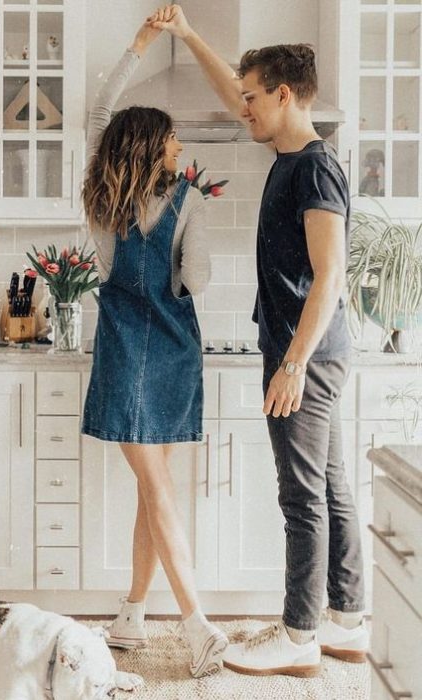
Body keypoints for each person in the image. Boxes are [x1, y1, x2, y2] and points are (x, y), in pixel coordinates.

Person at [149, 5, 368, 678]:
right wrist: (187, 35)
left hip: (308, 351)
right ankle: (346, 619)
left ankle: (300, 633)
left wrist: (293, 363)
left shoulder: (314, 168)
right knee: (328, 487)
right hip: (314, 349)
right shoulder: (292, 153)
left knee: (300, 493)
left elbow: (329, 273)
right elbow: (233, 89)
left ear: (282, 95)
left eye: (251, 98)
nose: (240, 108)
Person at [80, 18, 228, 678]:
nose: (179, 145)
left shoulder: (104, 197)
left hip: (125, 348)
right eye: (172, 139)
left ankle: (137, 613)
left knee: (153, 489)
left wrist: (138, 43)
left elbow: (99, 111)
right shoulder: (189, 200)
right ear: (153, 148)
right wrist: (193, 246)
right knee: (157, 488)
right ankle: (195, 625)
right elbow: (195, 280)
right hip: (172, 351)